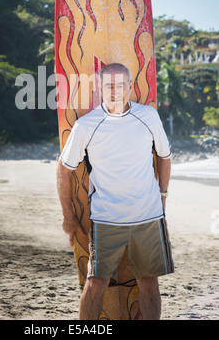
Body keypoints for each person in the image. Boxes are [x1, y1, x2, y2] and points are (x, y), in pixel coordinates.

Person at [56, 62, 174, 320]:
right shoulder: (87, 125)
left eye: (121, 85)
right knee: (95, 283)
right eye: (109, 85)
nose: (115, 91)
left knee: (149, 285)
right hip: (107, 219)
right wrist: (68, 215)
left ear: (130, 87)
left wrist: (163, 196)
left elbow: (164, 156)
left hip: (148, 217)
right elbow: (64, 168)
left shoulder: (148, 116)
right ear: (100, 88)